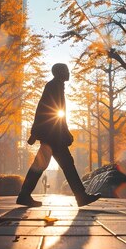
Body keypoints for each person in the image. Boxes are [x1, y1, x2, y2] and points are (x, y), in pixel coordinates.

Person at [17, 63, 101, 207]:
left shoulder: (55, 86)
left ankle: (24, 195)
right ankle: (80, 196)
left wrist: (41, 131)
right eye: (66, 70)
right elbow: (50, 111)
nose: (69, 73)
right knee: (66, 164)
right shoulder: (54, 86)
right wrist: (39, 132)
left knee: (45, 165)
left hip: (52, 134)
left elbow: (55, 112)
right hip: (53, 135)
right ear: (60, 72)